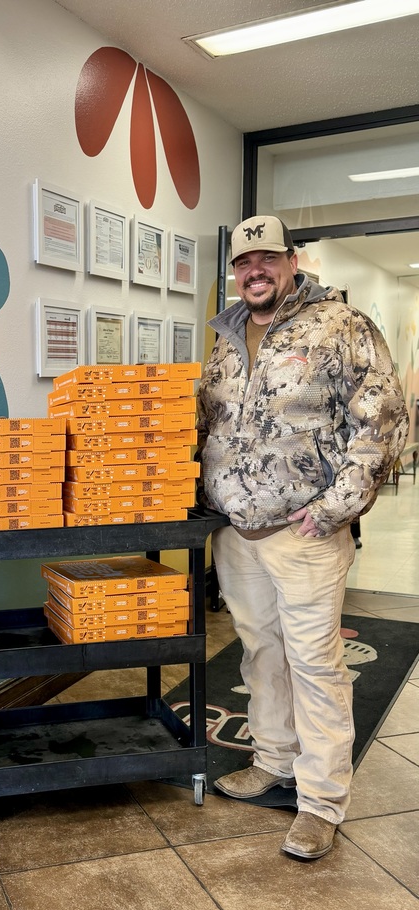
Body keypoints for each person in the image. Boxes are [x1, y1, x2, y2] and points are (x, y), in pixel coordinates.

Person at [197, 215, 408, 860]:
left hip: (307, 531)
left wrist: (336, 508)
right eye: (243, 262)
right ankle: (273, 760)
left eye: (267, 258)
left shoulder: (342, 327)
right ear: (235, 273)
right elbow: (210, 420)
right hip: (240, 532)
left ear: (292, 260)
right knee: (261, 652)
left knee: (315, 663)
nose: (254, 271)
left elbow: (382, 421)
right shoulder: (226, 339)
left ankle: (320, 801)